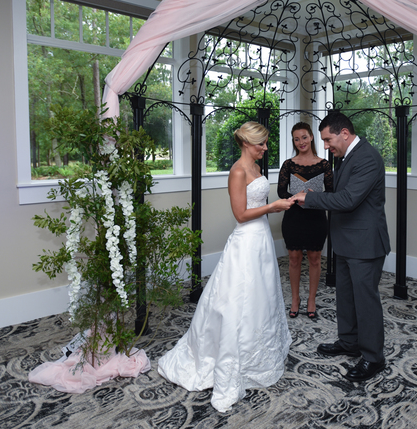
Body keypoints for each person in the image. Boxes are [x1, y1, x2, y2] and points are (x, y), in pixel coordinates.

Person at [158, 121, 295, 413]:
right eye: (262, 144)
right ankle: (230, 358)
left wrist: (275, 207)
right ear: (248, 143)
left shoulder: (256, 169)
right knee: (238, 297)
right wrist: (274, 207)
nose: (266, 149)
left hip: (261, 240)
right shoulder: (237, 171)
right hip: (246, 240)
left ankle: (261, 352)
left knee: (263, 295)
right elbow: (241, 213)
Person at [291, 112, 390, 383]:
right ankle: (349, 342)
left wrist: (309, 199)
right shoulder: (345, 157)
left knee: (365, 301)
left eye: (327, 139)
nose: (325, 146)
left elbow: (347, 200)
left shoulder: (367, 158)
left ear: (344, 133)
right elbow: (338, 195)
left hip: (365, 243)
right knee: (345, 297)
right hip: (347, 241)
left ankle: (373, 357)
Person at [278, 122, 334, 319]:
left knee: (315, 258)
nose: (301, 141)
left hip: (316, 216)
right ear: (293, 141)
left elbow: (331, 192)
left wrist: (314, 195)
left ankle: (311, 299)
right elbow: (281, 191)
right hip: (294, 216)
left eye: (304, 137)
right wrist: (296, 194)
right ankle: (295, 299)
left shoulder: (324, 164)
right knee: (294, 259)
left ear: (311, 137)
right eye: (296, 139)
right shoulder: (289, 164)